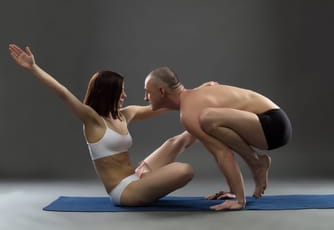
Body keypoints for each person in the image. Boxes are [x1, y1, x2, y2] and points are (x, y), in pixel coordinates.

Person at [8, 44, 200, 206]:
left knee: (178, 139)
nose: (125, 96)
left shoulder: (125, 114)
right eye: (121, 92)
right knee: (185, 170)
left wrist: (198, 93)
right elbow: (63, 93)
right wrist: (33, 68)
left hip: (137, 177)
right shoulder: (93, 121)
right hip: (125, 191)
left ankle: (151, 175)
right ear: (108, 94)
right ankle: (149, 179)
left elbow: (163, 105)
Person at [144, 66, 292, 211]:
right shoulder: (193, 97)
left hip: (273, 126)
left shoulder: (189, 113)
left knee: (208, 118)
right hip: (274, 122)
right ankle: (255, 163)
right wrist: (233, 191)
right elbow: (220, 147)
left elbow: (223, 153)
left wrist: (240, 200)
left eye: (148, 93)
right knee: (209, 122)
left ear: (162, 91)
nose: (145, 98)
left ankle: (256, 162)